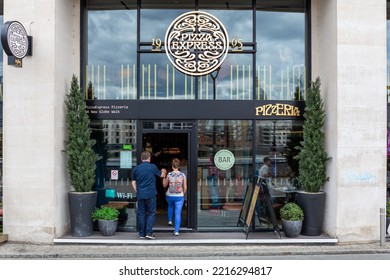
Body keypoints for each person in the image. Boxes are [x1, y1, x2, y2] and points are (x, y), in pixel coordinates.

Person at [132, 151, 166, 240]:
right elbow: (161, 175)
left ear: (141, 158)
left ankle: (142, 234)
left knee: (141, 213)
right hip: (151, 194)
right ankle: (149, 232)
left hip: (140, 195)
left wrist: (138, 190)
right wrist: (163, 171)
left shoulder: (136, 169)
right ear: (149, 158)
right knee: (151, 213)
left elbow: (133, 182)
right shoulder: (153, 167)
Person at [162, 158, 187, 236]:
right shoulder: (182, 175)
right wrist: (182, 193)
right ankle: (176, 231)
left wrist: (163, 176)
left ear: (172, 166)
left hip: (170, 195)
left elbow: (164, 185)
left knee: (170, 206)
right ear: (179, 166)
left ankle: (170, 221)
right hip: (179, 196)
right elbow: (185, 187)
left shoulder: (169, 174)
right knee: (178, 213)